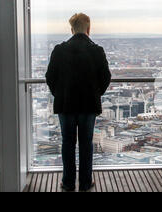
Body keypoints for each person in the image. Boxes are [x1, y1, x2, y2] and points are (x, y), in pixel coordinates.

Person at [46, 13, 111, 192]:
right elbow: (106, 78)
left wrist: (59, 94)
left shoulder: (59, 50)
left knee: (67, 143)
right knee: (86, 143)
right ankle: (85, 183)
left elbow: (50, 77)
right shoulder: (97, 50)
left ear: (72, 29)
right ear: (88, 29)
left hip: (65, 105)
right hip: (88, 105)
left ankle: (68, 183)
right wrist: (96, 94)